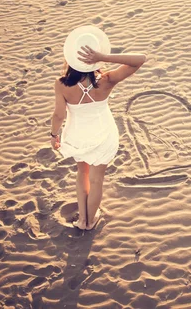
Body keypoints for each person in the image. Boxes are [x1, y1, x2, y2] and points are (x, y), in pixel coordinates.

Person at [49, 26, 146, 230]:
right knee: (96, 180)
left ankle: (82, 219)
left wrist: (53, 135)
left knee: (81, 174)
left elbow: (59, 115)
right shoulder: (107, 80)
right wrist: (102, 57)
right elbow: (140, 59)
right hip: (103, 134)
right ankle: (90, 221)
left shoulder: (61, 84)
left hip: (77, 134)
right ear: (94, 59)